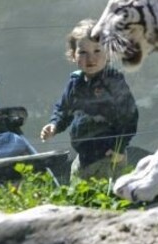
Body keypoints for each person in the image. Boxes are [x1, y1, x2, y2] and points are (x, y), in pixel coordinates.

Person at [40, 19, 140, 181]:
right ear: (73, 55)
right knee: (80, 192)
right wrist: (55, 125)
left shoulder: (113, 81)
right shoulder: (75, 82)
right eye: (83, 52)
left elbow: (129, 115)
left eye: (97, 51)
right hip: (84, 155)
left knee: (106, 196)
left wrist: (119, 148)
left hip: (109, 155)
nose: (90, 58)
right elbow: (64, 109)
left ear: (108, 53)